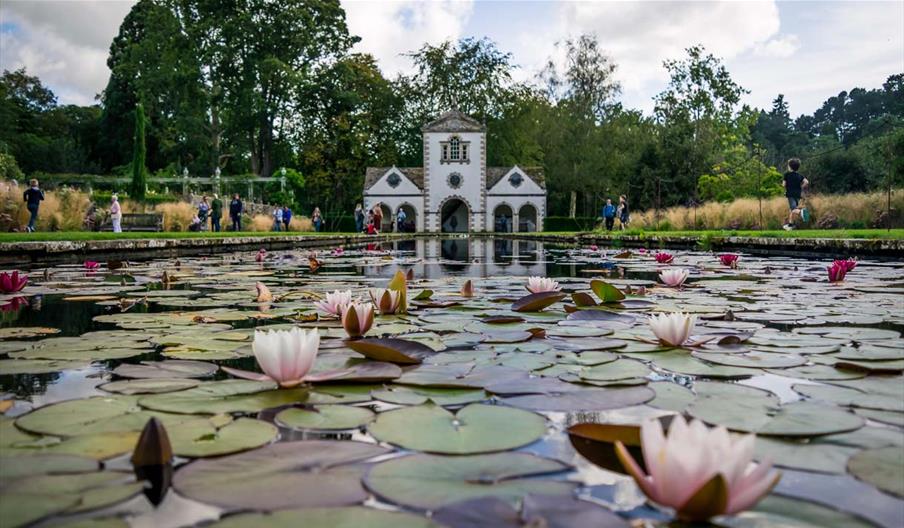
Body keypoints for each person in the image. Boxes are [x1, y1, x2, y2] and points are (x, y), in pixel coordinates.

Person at [782, 158, 809, 231]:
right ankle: (790, 225)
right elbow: (806, 182)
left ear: (789, 167)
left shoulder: (787, 174)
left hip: (790, 194)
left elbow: (783, 184)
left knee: (793, 209)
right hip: (798, 194)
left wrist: (787, 187)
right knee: (792, 210)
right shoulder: (799, 175)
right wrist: (801, 187)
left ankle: (802, 212)